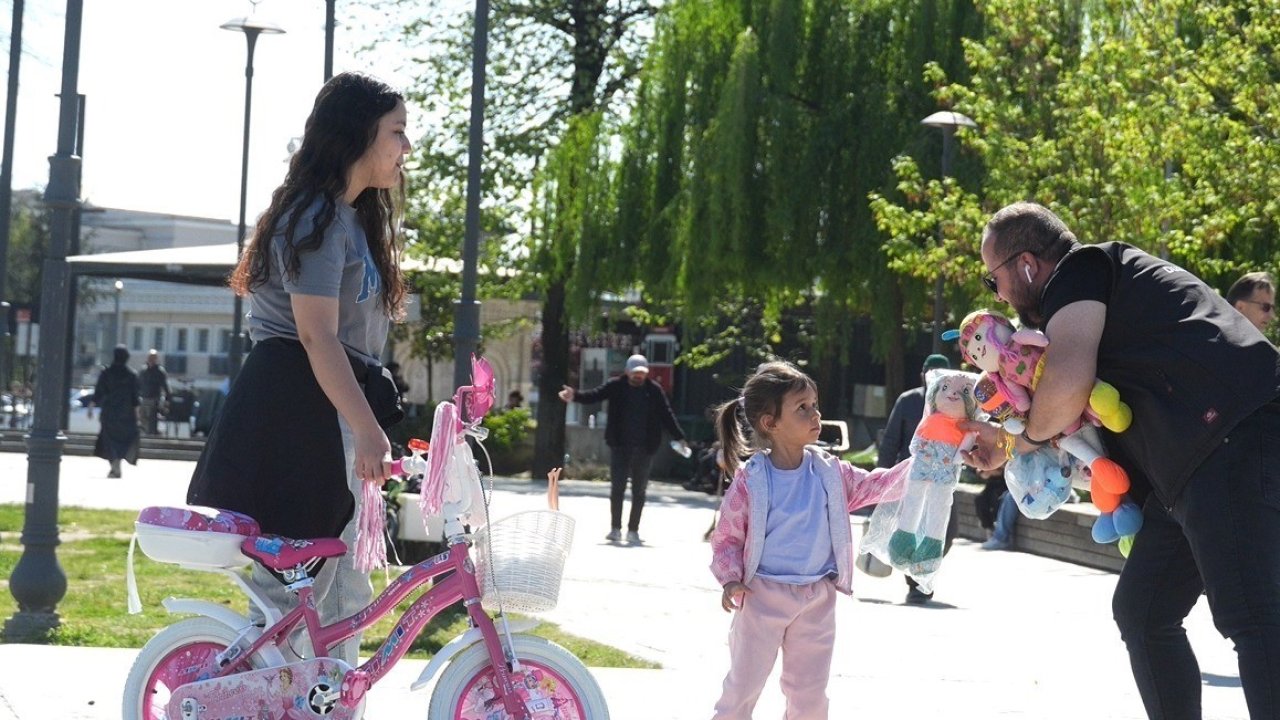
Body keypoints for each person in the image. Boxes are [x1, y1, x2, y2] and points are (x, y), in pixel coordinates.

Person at [964, 201, 1280, 719]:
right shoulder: (1087, 292)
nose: (995, 296)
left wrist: (1027, 433)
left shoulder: (1083, 269)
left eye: (992, 279)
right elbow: (1066, 417)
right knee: (1144, 610)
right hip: (1191, 462)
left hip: (1231, 434)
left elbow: (1066, 386)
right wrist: (1010, 440)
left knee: (1251, 613)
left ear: (1027, 265)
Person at [186, 72, 411, 666]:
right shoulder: (314, 217)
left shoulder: (351, 218)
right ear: (358, 133)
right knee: (294, 590)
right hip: (298, 410)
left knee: (344, 589)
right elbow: (316, 336)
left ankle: (327, 704)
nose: (406, 148)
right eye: (397, 132)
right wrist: (366, 427)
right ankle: (246, 696)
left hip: (325, 404)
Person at [708, 360, 905, 719]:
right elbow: (727, 539)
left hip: (817, 598)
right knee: (742, 689)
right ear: (770, 424)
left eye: (815, 405)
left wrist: (924, 467)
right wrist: (730, 579)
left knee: (810, 698)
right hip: (761, 596)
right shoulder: (752, 479)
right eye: (802, 408)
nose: (815, 414)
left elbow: (876, 485)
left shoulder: (830, 472)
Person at [558, 353, 688, 545]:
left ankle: (633, 530)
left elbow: (666, 414)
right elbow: (595, 394)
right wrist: (575, 395)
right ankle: (615, 529)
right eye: (635, 372)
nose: (638, 376)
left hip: (645, 447)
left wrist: (680, 437)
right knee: (617, 488)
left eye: (642, 373)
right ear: (627, 372)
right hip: (620, 445)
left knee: (639, 490)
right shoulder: (616, 385)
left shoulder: (654, 390)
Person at [877, 353, 959, 604]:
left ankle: (924, 570)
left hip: (944, 480)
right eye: (930, 371)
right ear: (922, 374)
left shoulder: (957, 405)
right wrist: (880, 480)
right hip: (912, 479)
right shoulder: (908, 400)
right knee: (909, 528)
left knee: (945, 531)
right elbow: (891, 441)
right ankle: (915, 582)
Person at [89, 345, 140, 478]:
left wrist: (91, 407)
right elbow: (135, 398)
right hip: (126, 414)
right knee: (123, 440)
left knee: (109, 440)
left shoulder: (106, 373)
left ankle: (114, 464)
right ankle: (117, 462)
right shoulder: (132, 375)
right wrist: (137, 416)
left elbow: (98, 392)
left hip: (109, 412)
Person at [138, 349, 171, 435]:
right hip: (143, 399)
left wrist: (167, 400)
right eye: (150, 357)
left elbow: (165, 386)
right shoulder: (143, 371)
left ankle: (152, 434)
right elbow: (138, 385)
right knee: (143, 420)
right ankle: (144, 435)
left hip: (154, 399)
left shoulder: (160, 371)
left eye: (153, 358)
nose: (151, 360)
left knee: (152, 421)